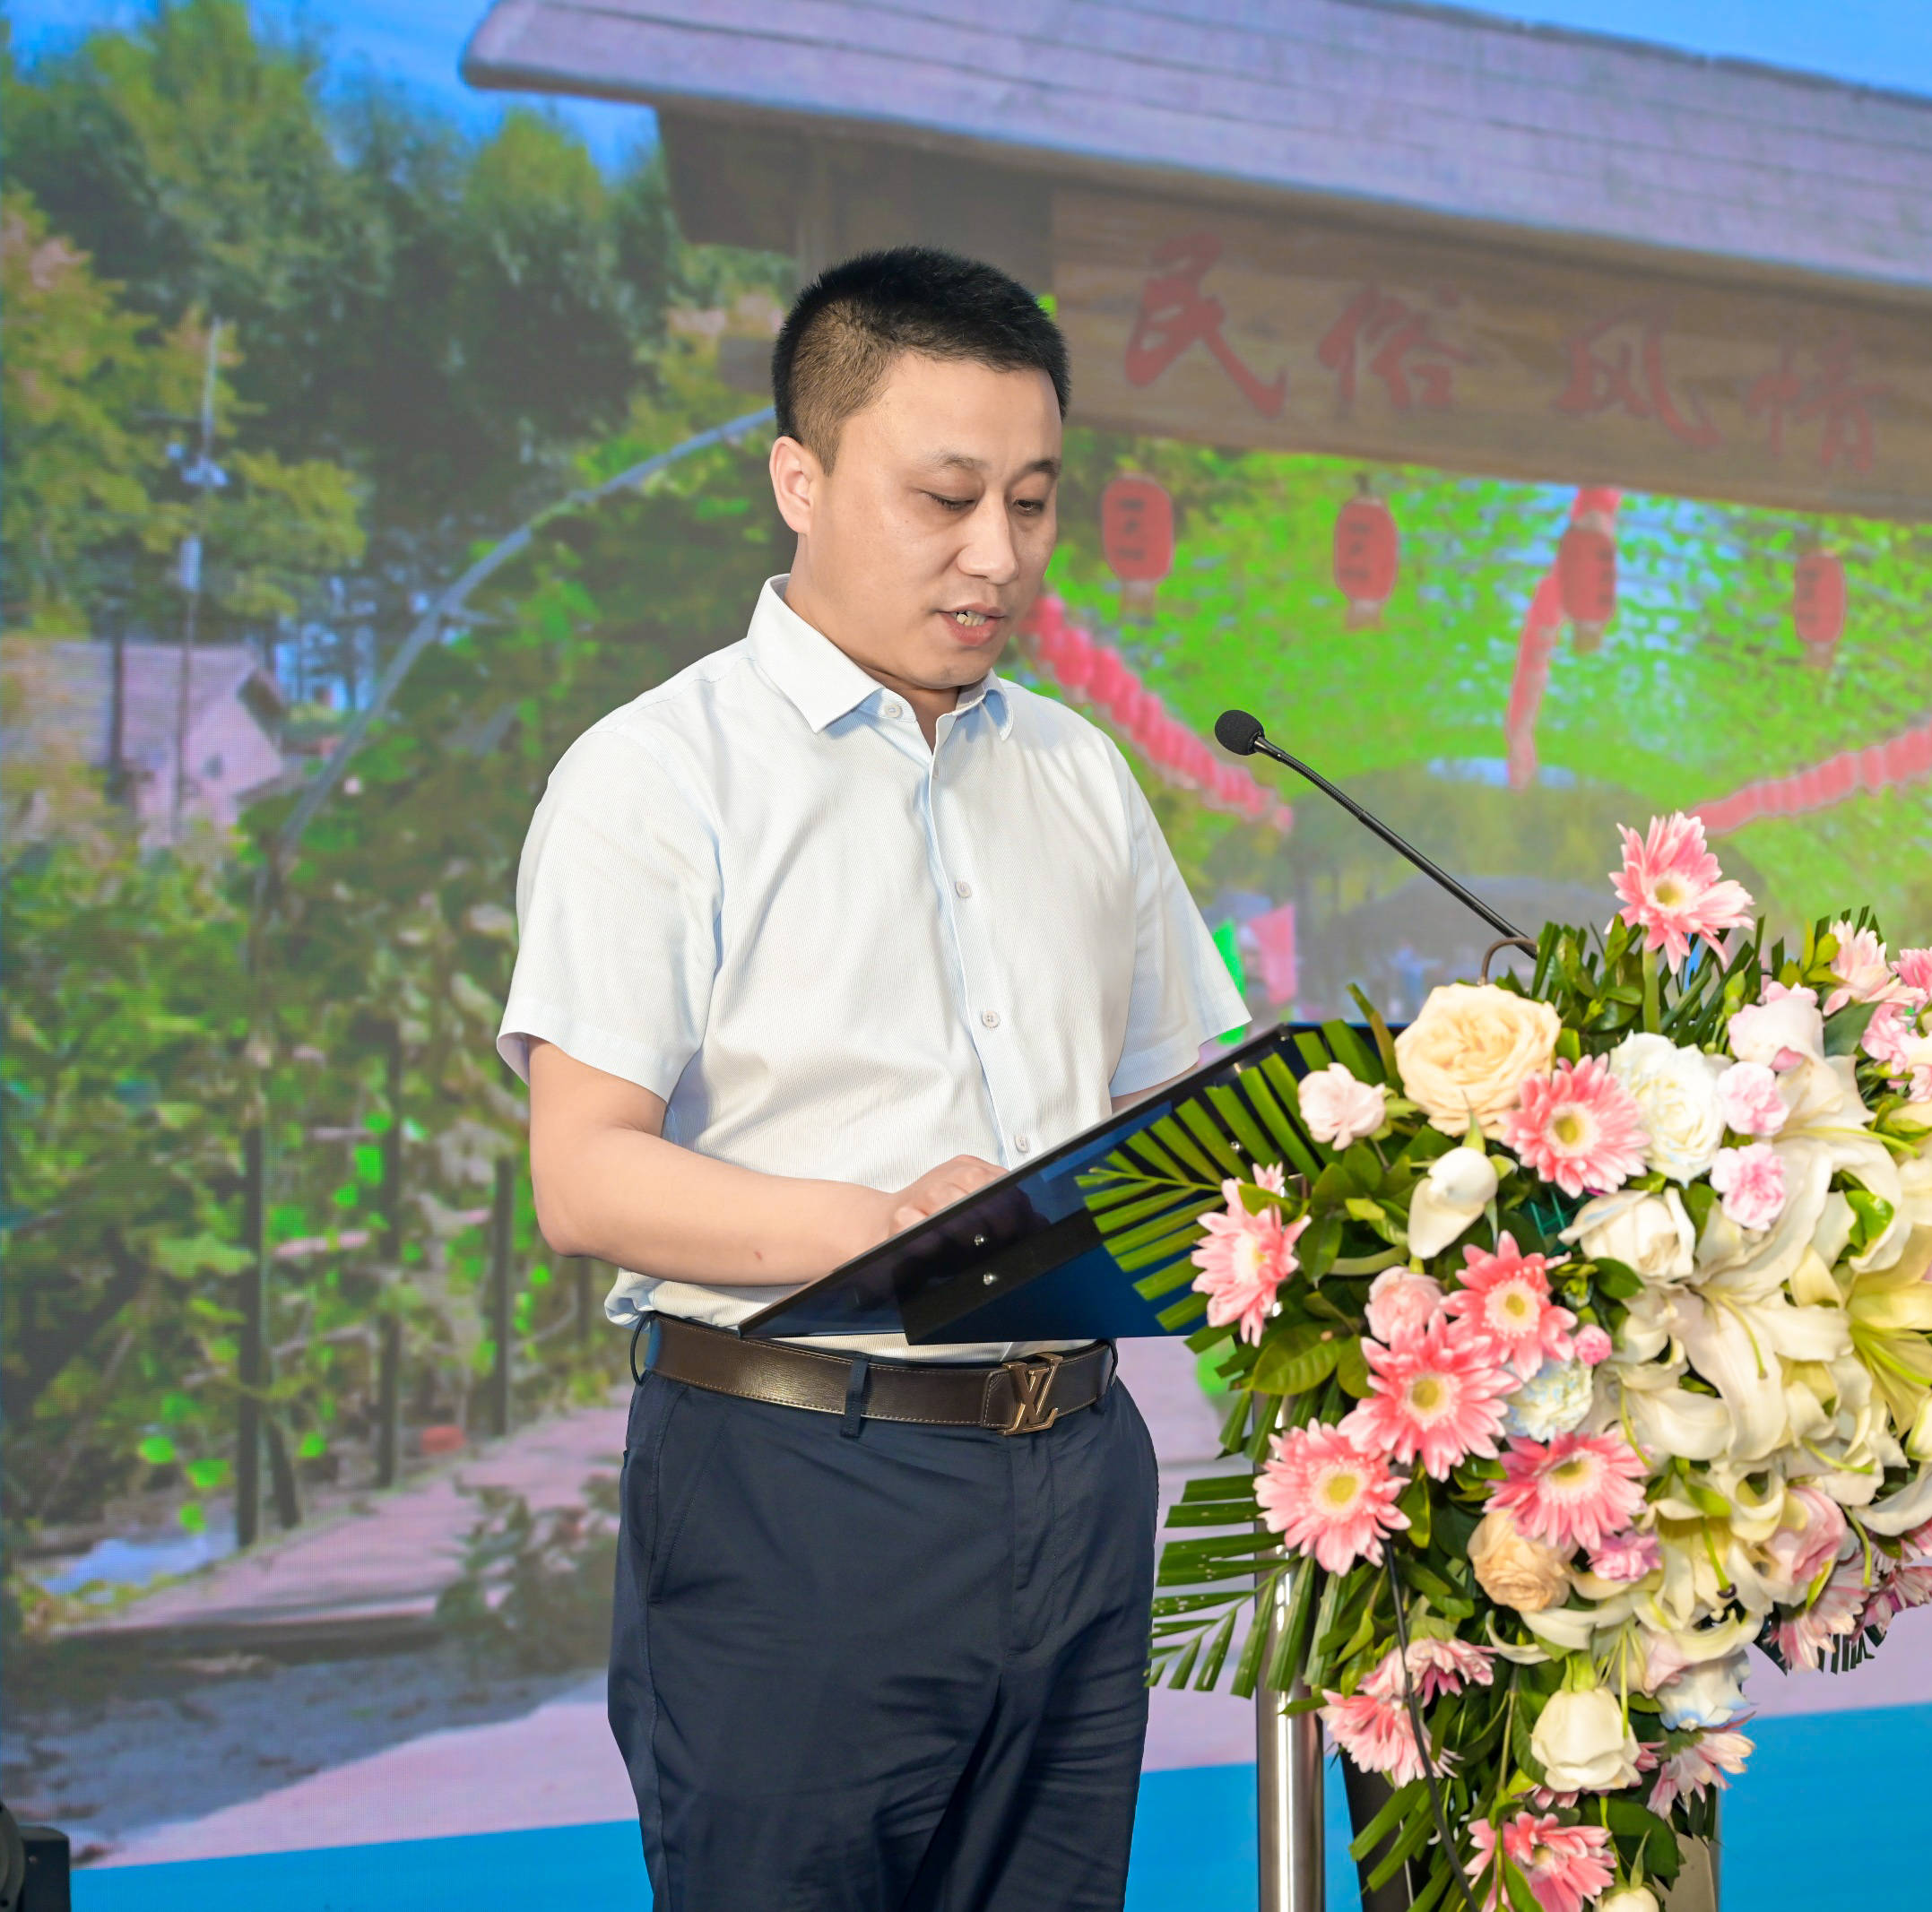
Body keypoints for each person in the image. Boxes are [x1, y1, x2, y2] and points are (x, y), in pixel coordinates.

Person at [497, 247, 1245, 1912]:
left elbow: (1175, 1103)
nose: (998, 556)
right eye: (946, 498)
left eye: (1032, 503)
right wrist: (890, 1228)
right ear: (800, 479)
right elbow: (586, 1173)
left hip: (1079, 1473)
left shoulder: (1081, 771)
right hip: (796, 1483)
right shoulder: (656, 775)